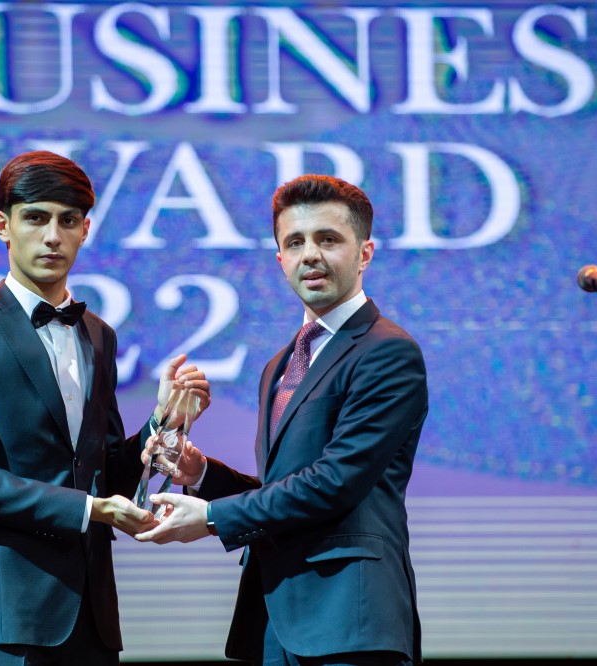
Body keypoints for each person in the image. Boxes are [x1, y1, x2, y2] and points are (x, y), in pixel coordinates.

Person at [0, 150, 210, 665]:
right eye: (35, 218)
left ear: (85, 230)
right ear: (3, 225)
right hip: (10, 617)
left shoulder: (98, 334)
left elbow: (107, 472)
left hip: (94, 619)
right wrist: (90, 510)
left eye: (67, 220)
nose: (52, 236)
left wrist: (165, 419)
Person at [137, 175, 429, 666]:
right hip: (275, 622)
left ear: (365, 253)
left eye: (328, 239)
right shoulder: (281, 363)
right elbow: (284, 488)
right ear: (280, 260)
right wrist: (201, 475)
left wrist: (211, 519)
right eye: (295, 242)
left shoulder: (387, 352)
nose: (310, 255)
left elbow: (336, 482)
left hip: (350, 619)